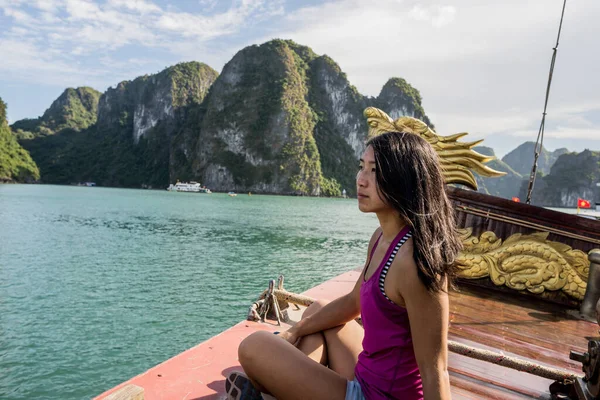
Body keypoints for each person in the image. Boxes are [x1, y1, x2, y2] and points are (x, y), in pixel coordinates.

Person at [226, 131, 462, 400]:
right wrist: (295, 330)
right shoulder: (381, 239)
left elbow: (435, 370)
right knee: (318, 313)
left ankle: (278, 389)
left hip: (381, 396)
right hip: (366, 377)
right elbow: (353, 302)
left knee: (254, 346)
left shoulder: (415, 263)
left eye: (375, 171)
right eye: (362, 167)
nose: (361, 180)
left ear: (405, 179)